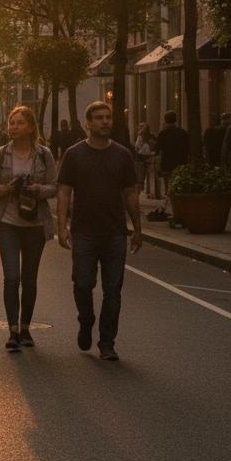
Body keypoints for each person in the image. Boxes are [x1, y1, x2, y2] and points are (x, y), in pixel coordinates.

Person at [57, 101, 143, 362]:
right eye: (99, 118)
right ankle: (86, 320)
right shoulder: (74, 154)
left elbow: (130, 192)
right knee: (82, 284)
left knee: (113, 290)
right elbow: (64, 191)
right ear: (88, 123)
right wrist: (63, 226)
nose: (105, 122)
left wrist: (137, 228)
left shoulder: (122, 155)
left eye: (108, 117)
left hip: (115, 233)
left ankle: (107, 342)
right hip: (84, 232)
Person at [0, 106, 58, 351]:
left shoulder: (43, 154)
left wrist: (38, 190)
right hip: (8, 222)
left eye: (19, 123)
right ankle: (12, 331)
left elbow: (54, 186)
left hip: (35, 223)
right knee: (12, 276)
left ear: (31, 127)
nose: (14, 127)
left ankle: (26, 328)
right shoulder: (0, 154)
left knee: (29, 278)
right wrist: (4, 189)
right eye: (11, 123)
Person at [154, 111, 189, 199]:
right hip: (180, 164)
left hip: (167, 164)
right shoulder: (183, 133)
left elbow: (157, 150)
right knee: (179, 186)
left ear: (165, 120)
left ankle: (171, 203)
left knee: (169, 187)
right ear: (175, 120)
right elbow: (188, 148)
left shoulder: (162, 134)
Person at [134, 122, 156, 195]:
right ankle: (148, 191)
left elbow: (137, 147)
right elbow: (137, 147)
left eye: (142, 127)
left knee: (144, 176)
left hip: (144, 158)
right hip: (144, 158)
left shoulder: (142, 136)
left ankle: (147, 191)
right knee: (144, 176)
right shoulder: (140, 136)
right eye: (140, 126)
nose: (140, 128)